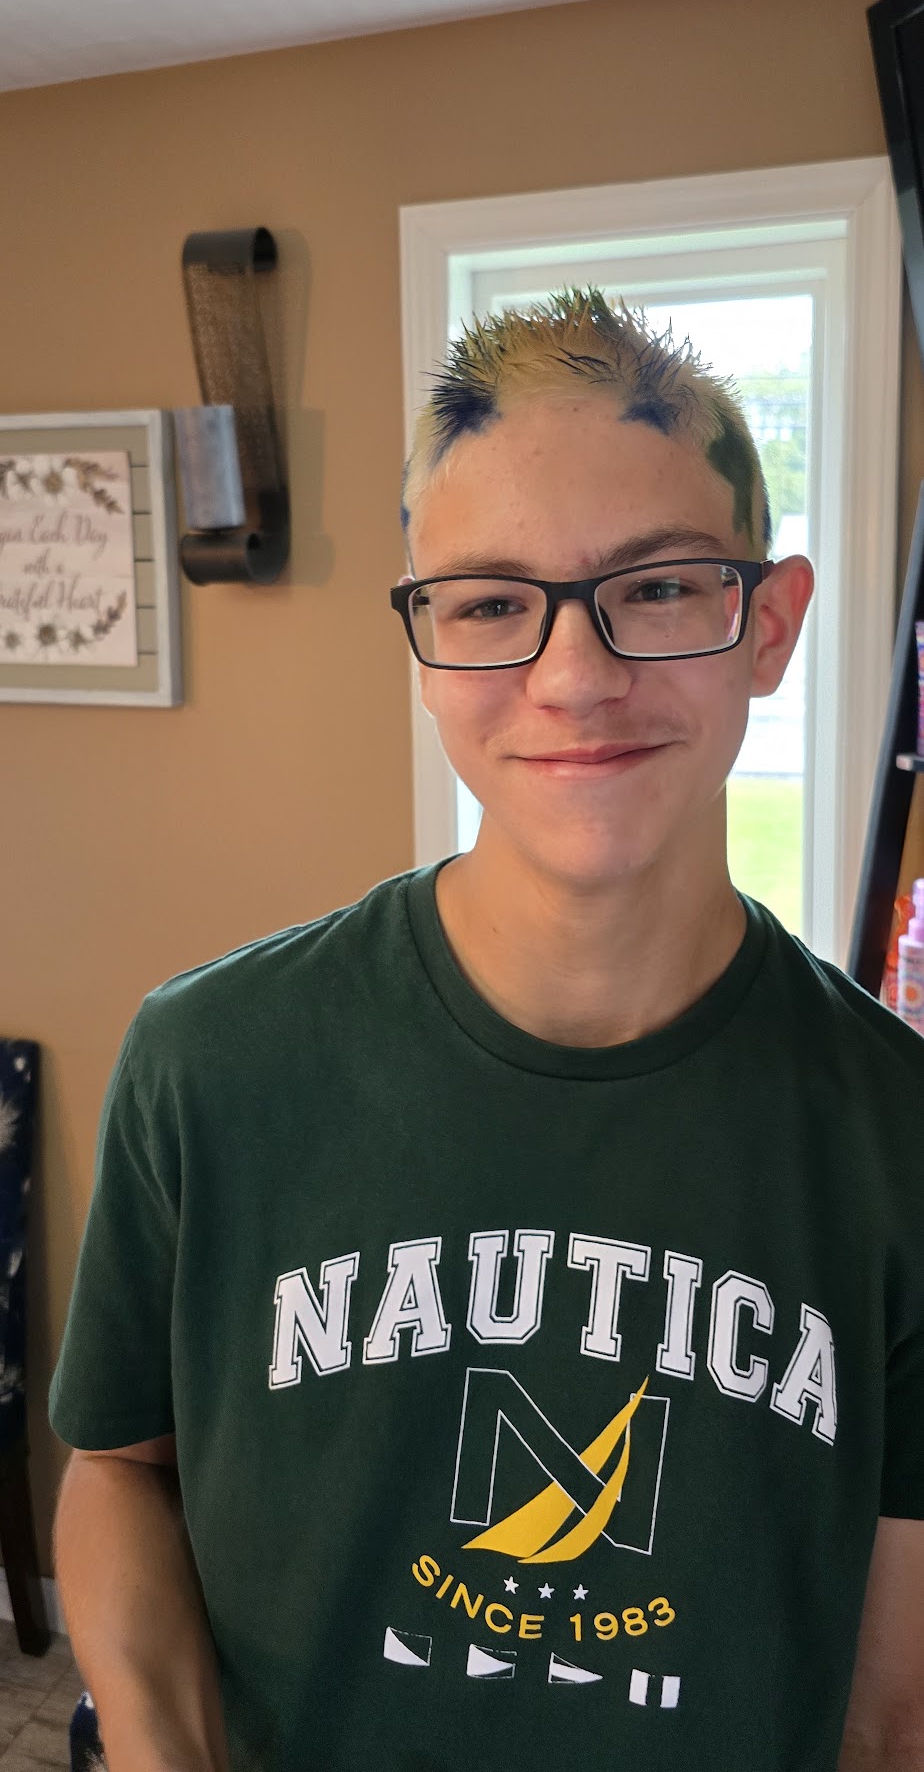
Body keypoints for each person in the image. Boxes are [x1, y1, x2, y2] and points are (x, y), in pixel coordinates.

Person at [50, 290, 924, 1772]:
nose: (574, 677)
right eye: (491, 604)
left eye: (659, 587)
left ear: (767, 626)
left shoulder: (896, 1134)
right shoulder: (208, 1067)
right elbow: (121, 1467)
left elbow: (890, 1712)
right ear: (424, 641)